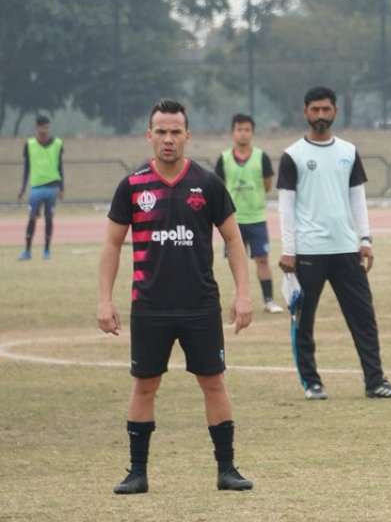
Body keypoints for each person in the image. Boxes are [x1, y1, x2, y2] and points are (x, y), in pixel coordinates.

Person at [97, 99, 254, 495]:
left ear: (187, 135)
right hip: (150, 306)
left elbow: (234, 240)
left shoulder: (207, 183)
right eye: (161, 131)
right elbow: (112, 244)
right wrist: (104, 300)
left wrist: (243, 294)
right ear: (149, 135)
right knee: (144, 386)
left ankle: (227, 469)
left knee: (213, 383)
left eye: (175, 132)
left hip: (200, 305)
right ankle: (137, 473)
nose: (168, 139)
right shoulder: (132, 186)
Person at [277, 86, 391, 401]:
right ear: (305, 112)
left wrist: (365, 239)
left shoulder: (348, 151)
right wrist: (288, 250)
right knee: (303, 320)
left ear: (335, 111)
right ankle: (312, 383)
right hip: (308, 251)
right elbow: (286, 206)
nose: (320, 115)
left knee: (363, 318)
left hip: (347, 249)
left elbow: (357, 199)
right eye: (315, 110)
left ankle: (375, 381)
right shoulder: (293, 155)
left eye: (326, 109)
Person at [215, 113, 283, 314]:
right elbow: (219, 187)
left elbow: (267, 185)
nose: (243, 134)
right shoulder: (224, 159)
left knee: (262, 260)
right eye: (239, 129)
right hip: (232, 220)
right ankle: (239, 299)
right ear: (232, 132)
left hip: (256, 218)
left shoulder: (261, 157)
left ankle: (269, 301)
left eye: (247, 130)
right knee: (236, 262)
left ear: (252, 133)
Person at [17, 115, 64, 260]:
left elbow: (60, 166)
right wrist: (23, 188)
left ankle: (47, 251)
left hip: (52, 187)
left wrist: (62, 187)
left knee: (49, 219)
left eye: (47, 127)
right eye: (43, 127)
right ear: (37, 128)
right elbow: (27, 168)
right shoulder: (29, 144)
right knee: (32, 218)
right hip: (36, 187)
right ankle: (27, 251)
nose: (45, 130)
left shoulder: (57, 143)